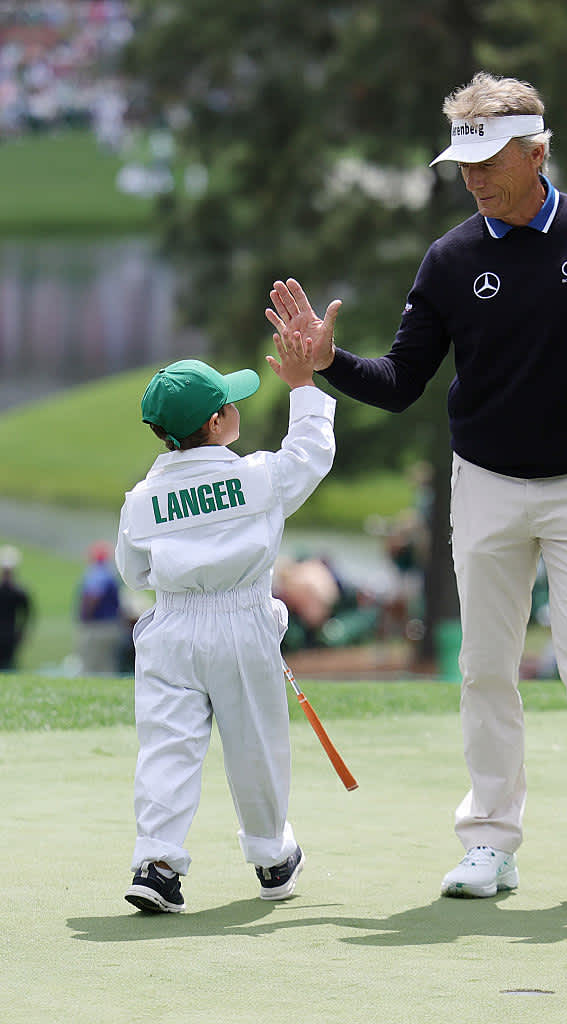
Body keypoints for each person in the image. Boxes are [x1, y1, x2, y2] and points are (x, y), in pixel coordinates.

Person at [265, 71, 567, 909]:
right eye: (463, 165)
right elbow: (398, 380)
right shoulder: (452, 257)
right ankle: (489, 841)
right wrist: (328, 362)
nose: (473, 179)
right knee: (485, 668)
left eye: (488, 162)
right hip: (484, 484)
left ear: (535, 153)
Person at [115, 337, 335, 913]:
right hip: (242, 624)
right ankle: (270, 857)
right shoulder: (258, 477)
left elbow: (133, 570)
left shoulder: (140, 500)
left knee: (167, 746)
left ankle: (157, 863)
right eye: (230, 403)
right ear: (218, 422)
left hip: (171, 629)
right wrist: (303, 386)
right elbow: (311, 452)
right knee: (256, 746)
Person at [76, 540, 122, 674]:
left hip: (97, 626)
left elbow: (93, 595)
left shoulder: (96, 573)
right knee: (108, 666)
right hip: (111, 624)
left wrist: (85, 617)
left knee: (90, 667)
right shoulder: (110, 573)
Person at [0, 545, 32, 670]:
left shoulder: (19, 592)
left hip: (11, 632)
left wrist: (22, 631)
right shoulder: (19, 591)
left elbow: (27, 614)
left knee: (8, 663)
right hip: (10, 632)